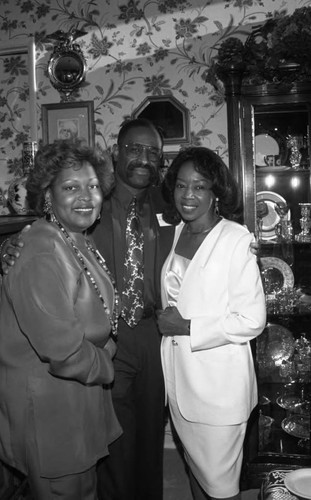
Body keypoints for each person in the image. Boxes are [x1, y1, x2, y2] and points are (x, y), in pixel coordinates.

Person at [0, 121, 260, 500]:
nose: (143, 159)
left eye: (153, 152)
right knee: (109, 441)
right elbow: (47, 230)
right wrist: (8, 248)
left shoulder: (171, 204)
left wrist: (247, 245)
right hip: (104, 334)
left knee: (152, 434)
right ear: (117, 152)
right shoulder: (92, 203)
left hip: (156, 334)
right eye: (134, 149)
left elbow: (214, 232)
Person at [0, 139, 122, 500]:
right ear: (48, 195)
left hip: (74, 397)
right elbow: (63, 351)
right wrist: (108, 360)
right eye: (71, 187)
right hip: (50, 411)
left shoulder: (76, 238)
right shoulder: (41, 249)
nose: (87, 196)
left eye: (94, 186)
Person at [156, 146, 266, 500]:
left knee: (220, 486)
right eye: (181, 185)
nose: (189, 195)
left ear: (216, 192)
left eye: (200, 186)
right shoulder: (173, 233)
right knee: (194, 473)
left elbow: (252, 319)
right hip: (179, 382)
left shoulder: (237, 239)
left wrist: (188, 327)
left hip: (219, 392)